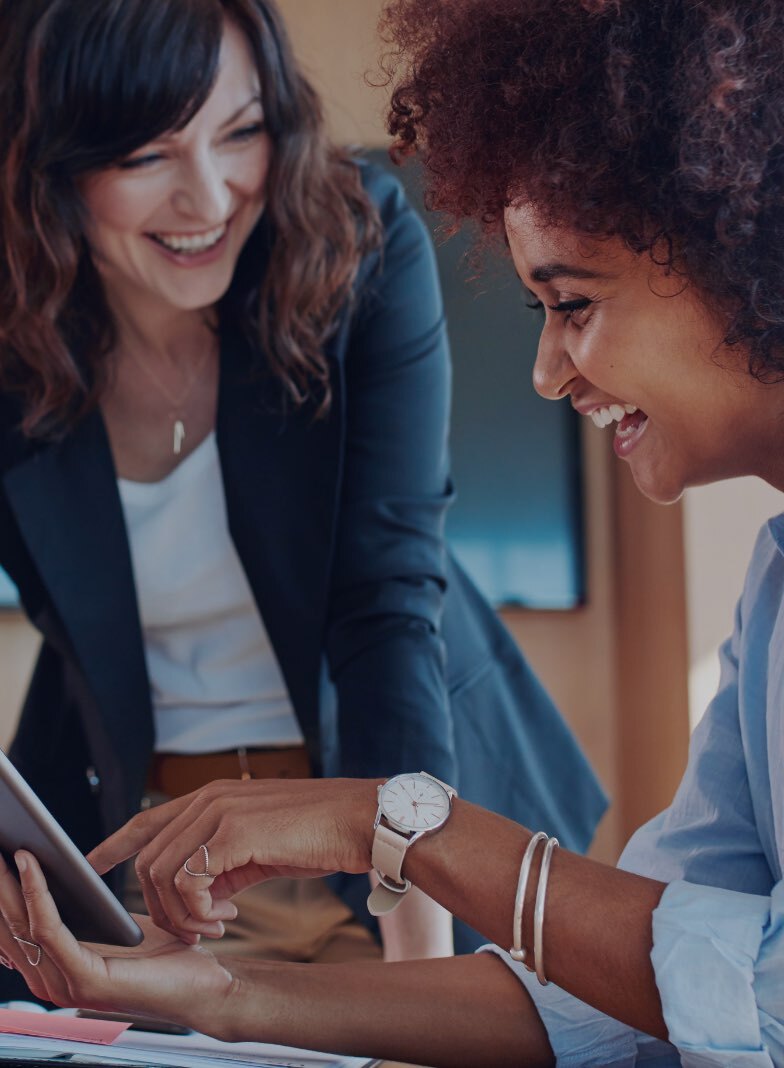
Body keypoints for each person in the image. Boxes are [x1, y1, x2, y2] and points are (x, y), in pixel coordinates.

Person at [18, 0, 784, 1063]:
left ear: (747, 253)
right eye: (148, 152)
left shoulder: (348, 247)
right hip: (159, 838)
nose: (543, 375)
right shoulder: (771, 587)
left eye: (569, 305)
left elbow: (751, 991)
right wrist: (222, 994)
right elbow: (647, 976)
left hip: (373, 820)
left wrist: (401, 834)